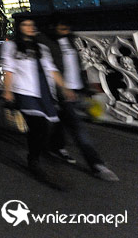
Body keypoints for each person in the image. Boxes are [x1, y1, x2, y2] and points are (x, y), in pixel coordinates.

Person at [44, 19, 118, 181]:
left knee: (63, 121)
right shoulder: (48, 43)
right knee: (79, 129)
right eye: (61, 26)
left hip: (77, 90)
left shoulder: (71, 41)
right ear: (53, 27)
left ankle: (54, 146)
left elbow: (77, 67)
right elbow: (49, 70)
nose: (65, 29)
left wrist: (87, 87)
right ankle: (97, 165)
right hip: (63, 93)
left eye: (66, 27)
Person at [1, 18, 74, 180]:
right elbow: (8, 70)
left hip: (44, 91)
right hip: (24, 91)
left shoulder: (41, 48)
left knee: (46, 126)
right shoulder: (11, 46)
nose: (29, 28)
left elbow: (52, 70)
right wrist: (7, 91)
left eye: (31, 25)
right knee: (38, 124)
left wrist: (64, 87)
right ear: (19, 28)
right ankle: (33, 159)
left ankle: (37, 153)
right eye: (25, 25)